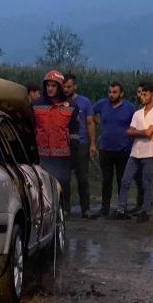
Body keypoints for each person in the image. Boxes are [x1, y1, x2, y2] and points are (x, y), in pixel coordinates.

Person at [112, 83, 153, 222]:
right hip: (135, 151)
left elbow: (149, 132)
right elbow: (130, 131)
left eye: (145, 94)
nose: (142, 97)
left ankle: (146, 210)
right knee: (125, 180)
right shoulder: (137, 113)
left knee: (146, 181)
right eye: (141, 94)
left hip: (149, 152)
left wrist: (138, 132)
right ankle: (121, 208)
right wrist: (142, 133)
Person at [33, 70, 79, 214]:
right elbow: (32, 127)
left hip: (63, 153)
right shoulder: (36, 105)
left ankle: (64, 209)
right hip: (43, 152)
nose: (50, 88)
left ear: (59, 87)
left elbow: (74, 132)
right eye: (48, 85)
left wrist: (74, 155)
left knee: (63, 181)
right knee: (43, 182)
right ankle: (45, 209)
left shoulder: (71, 106)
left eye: (54, 85)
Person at [92, 82, 136, 217]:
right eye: (110, 92)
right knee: (106, 180)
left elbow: (135, 124)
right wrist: (99, 122)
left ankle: (122, 207)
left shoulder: (129, 107)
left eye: (115, 92)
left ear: (121, 93)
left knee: (122, 180)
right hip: (105, 148)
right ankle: (105, 207)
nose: (111, 94)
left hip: (123, 149)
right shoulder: (102, 104)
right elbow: (91, 113)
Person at [63, 73, 96, 218]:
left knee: (82, 177)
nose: (66, 89)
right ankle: (65, 209)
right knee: (64, 178)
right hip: (64, 145)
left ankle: (86, 209)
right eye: (64, 87)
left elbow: (90, 123)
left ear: (75, 86)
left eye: (69, 87)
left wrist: (92, 144)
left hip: (81, 143)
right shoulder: (59, 102)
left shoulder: (84, 102)